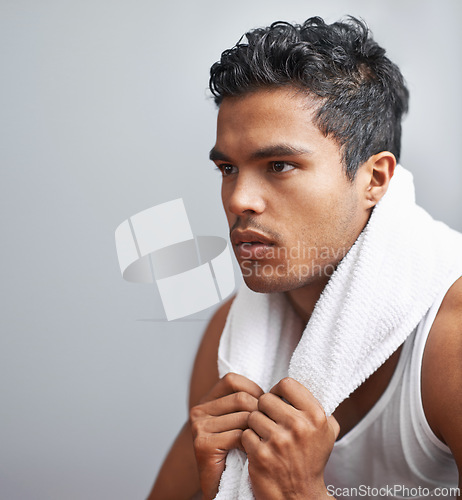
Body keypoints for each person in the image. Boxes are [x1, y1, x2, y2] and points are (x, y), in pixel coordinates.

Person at [148, 17, 462, 500]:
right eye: (228, 168)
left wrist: (302, 494)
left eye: (279, 166)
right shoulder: (231, 342)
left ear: (375, 179)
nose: (238, 200)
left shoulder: (451, 338)